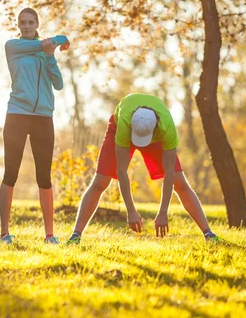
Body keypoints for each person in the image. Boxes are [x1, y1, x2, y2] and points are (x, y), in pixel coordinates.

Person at [66, 93, 222, 244]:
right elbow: (121, 170)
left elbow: (169, 173)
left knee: (179, 181)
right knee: (100, 182)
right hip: (123, 130)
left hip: (157, 137)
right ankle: (75, 235)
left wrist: (163, 212)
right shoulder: (125, 122)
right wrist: (131, 210)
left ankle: (208, 233)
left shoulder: (167, 126)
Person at [0, 7, 69, 244]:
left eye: (30, 22)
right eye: (22, 22)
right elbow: (54, 41)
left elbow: (58, 84)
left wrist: (51, 56)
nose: (26, 26)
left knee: (44, 177)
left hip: (43, 117)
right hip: (17, 114)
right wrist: (60, 40)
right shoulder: (13, 47)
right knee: (11, 173)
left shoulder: (44, 51)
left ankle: (49, 235)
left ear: (37, 23)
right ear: (18, 25)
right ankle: (4, 234)